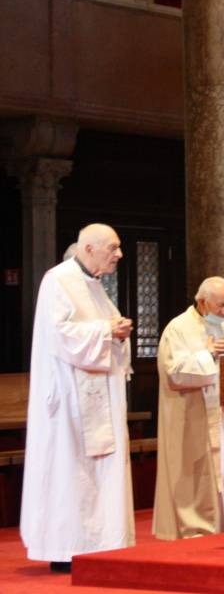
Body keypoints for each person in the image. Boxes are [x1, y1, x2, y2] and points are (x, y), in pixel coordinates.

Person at [20, 223, 134, 573]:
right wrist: (106, 330)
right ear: (88, 248)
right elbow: (59, 334)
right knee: (70, 470)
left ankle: (103, 544)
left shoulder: (95, 286)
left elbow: (105, 330)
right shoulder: (58, 280)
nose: (119, 254)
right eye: (112, 248)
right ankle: (66, 547)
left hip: (99, 395)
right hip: (69, 398)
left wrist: (118, 333)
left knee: (101, 471)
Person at [153, 277, 224, 540]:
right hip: (189, 412)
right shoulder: (178, 328)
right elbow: (174, 373)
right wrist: (209, 354)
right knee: (192, 472)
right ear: (202, 302)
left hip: (221, 413)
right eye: (220, 305)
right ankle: (193, 528)